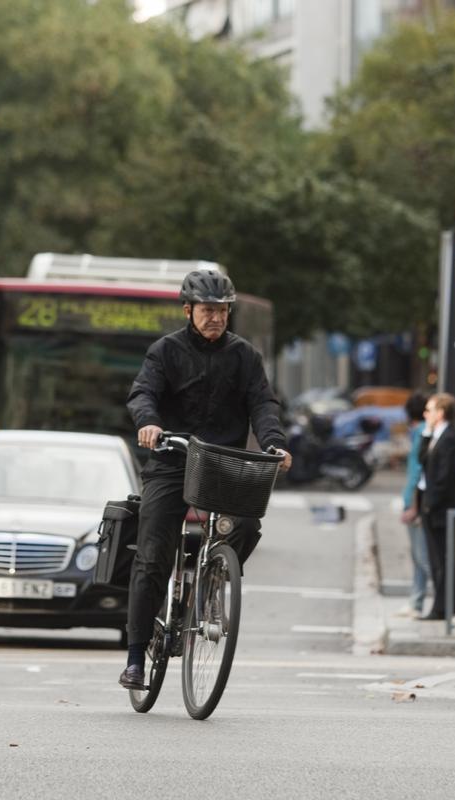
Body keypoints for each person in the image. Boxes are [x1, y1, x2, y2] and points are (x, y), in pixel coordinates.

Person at [119, 270, 292, 690]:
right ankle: (136, 656)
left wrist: (273, 443)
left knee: (248, 525)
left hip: (222, 462)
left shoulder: (244, 356)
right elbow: (143, 393)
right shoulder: (166, 351)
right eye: (207, 311)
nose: (215, 318)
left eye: (222, 311)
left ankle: (212, 580)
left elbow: (263, 404)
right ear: (188, 310)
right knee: (153, 553)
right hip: (171, 459)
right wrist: (149, 423)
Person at [418, 392, 455, 620]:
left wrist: (431, 503)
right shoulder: (436, 434)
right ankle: (444, 604)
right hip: (430, 504)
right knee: (436, 558)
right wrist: (426, 433)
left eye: (429, 409)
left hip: (439, 507)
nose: (425, 414)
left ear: (441, 413)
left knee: (441, 559)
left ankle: (442, 607)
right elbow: (422, 460)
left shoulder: (451, 438)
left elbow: (445, 477)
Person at [397, 392, 431, 618]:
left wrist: (412, 505)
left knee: (422, 556)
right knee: (419, 556)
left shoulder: (421, 433)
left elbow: (418, 471)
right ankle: (416, 601)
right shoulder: (420, 432)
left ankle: (436, 600)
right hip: (414, 500)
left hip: (416, 501)